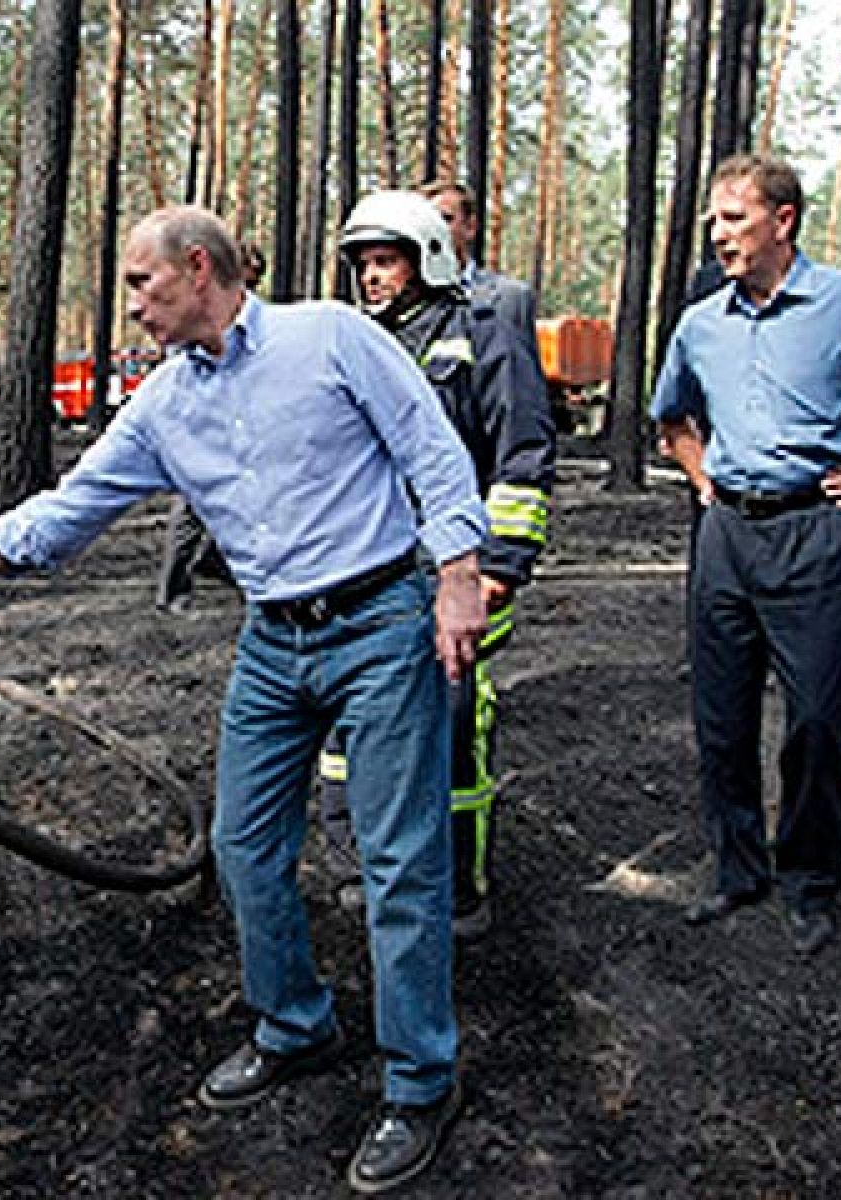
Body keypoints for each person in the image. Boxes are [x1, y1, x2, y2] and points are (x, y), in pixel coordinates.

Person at [0, 205, 487, 1194]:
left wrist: (459, 574)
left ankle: (421, 1082)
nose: (129, 303)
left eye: (137, 281)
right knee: (246, 849)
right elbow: (70, 508)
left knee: (397, 863)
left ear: (196, 268)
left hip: (383, 621)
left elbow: (431, 448)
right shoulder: (163, 405)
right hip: (272, 641)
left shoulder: (329, 338)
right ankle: (295, 1026)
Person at [651, 154, 841, 956]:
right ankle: (736, 870)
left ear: (783, 220)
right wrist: (706, 486)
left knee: (817, 723)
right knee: (721, 717)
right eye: (713, 220)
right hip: (727, 537)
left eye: (734, 218)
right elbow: (674, 420)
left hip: (821, 533)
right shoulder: (702, 323)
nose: (718, 234)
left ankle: (808, 883)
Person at [319, 191, 555, 941]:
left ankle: (458, 888)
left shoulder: (484, 332)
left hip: (459, 570)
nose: (371, 277)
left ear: (428, 258)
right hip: (365, 574)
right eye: (362, 264)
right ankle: (358, 865)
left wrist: (501, 568)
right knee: (346, 731)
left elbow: (523, 454)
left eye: (385, 260)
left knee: (451, 728)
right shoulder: (354, 342)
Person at [151, 240, 264, 615]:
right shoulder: (191, 320)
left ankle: (216, 561)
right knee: (188, 515)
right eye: (247, 279)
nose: (249, 291)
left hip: (236, 430)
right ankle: (172, 594)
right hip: (198, 431)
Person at [423, 181, 539, 343]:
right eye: (426, 221)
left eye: (445, 218)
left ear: (470, 226)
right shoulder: (401, 302)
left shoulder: (510, 299)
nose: (434, 229)